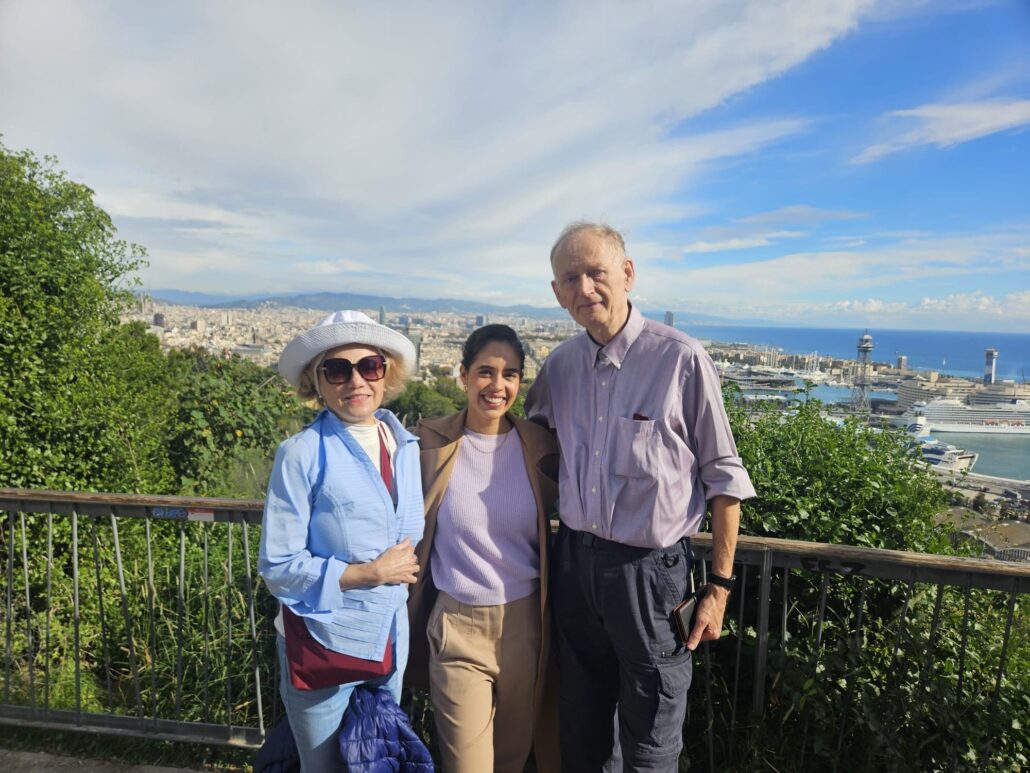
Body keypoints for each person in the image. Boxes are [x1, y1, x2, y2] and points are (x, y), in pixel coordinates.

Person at [525, 223, 756, 772]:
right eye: (570, 279)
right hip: (574, 563)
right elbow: (523, 442)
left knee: (651, 741)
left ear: (627, 274)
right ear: (557, 294)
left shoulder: (680, 359)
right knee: (582, 732)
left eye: (596, 273)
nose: (585, 289)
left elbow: (724, 478)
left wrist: (719, 589)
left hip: (652, 575)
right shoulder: (559, 368)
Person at [259, 310, 424, 772]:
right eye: (337, 369)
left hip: (389, 635)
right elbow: (279, 565)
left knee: (378, 761)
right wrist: (370, 574)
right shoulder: (301, 454)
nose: (356, 380)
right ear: (318, 382)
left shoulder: (404, 446)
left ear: (386, 372)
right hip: (324, 640)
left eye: (369, 366)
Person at [406, 324, 561, 773]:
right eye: (486, 372)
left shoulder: (540, 447)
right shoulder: (430, 444)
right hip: (458, 626)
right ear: (463, 375)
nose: (498, 386)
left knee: (512, 759)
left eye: (510, 374)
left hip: (526, 626)